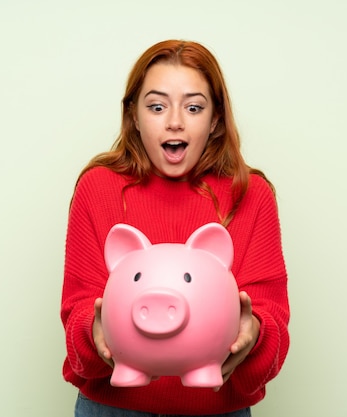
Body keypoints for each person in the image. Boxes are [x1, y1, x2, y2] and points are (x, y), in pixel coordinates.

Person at [61, 39, 290, 416]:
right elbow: (78, 324)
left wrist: (255, 334)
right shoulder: (98, 188)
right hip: (113, 408)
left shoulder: (250, 194)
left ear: (215, 120)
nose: (174, 122)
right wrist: (94, 331)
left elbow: (272, 329)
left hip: (217, 410)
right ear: (134, 115)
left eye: (194, 107)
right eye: (156, 106)